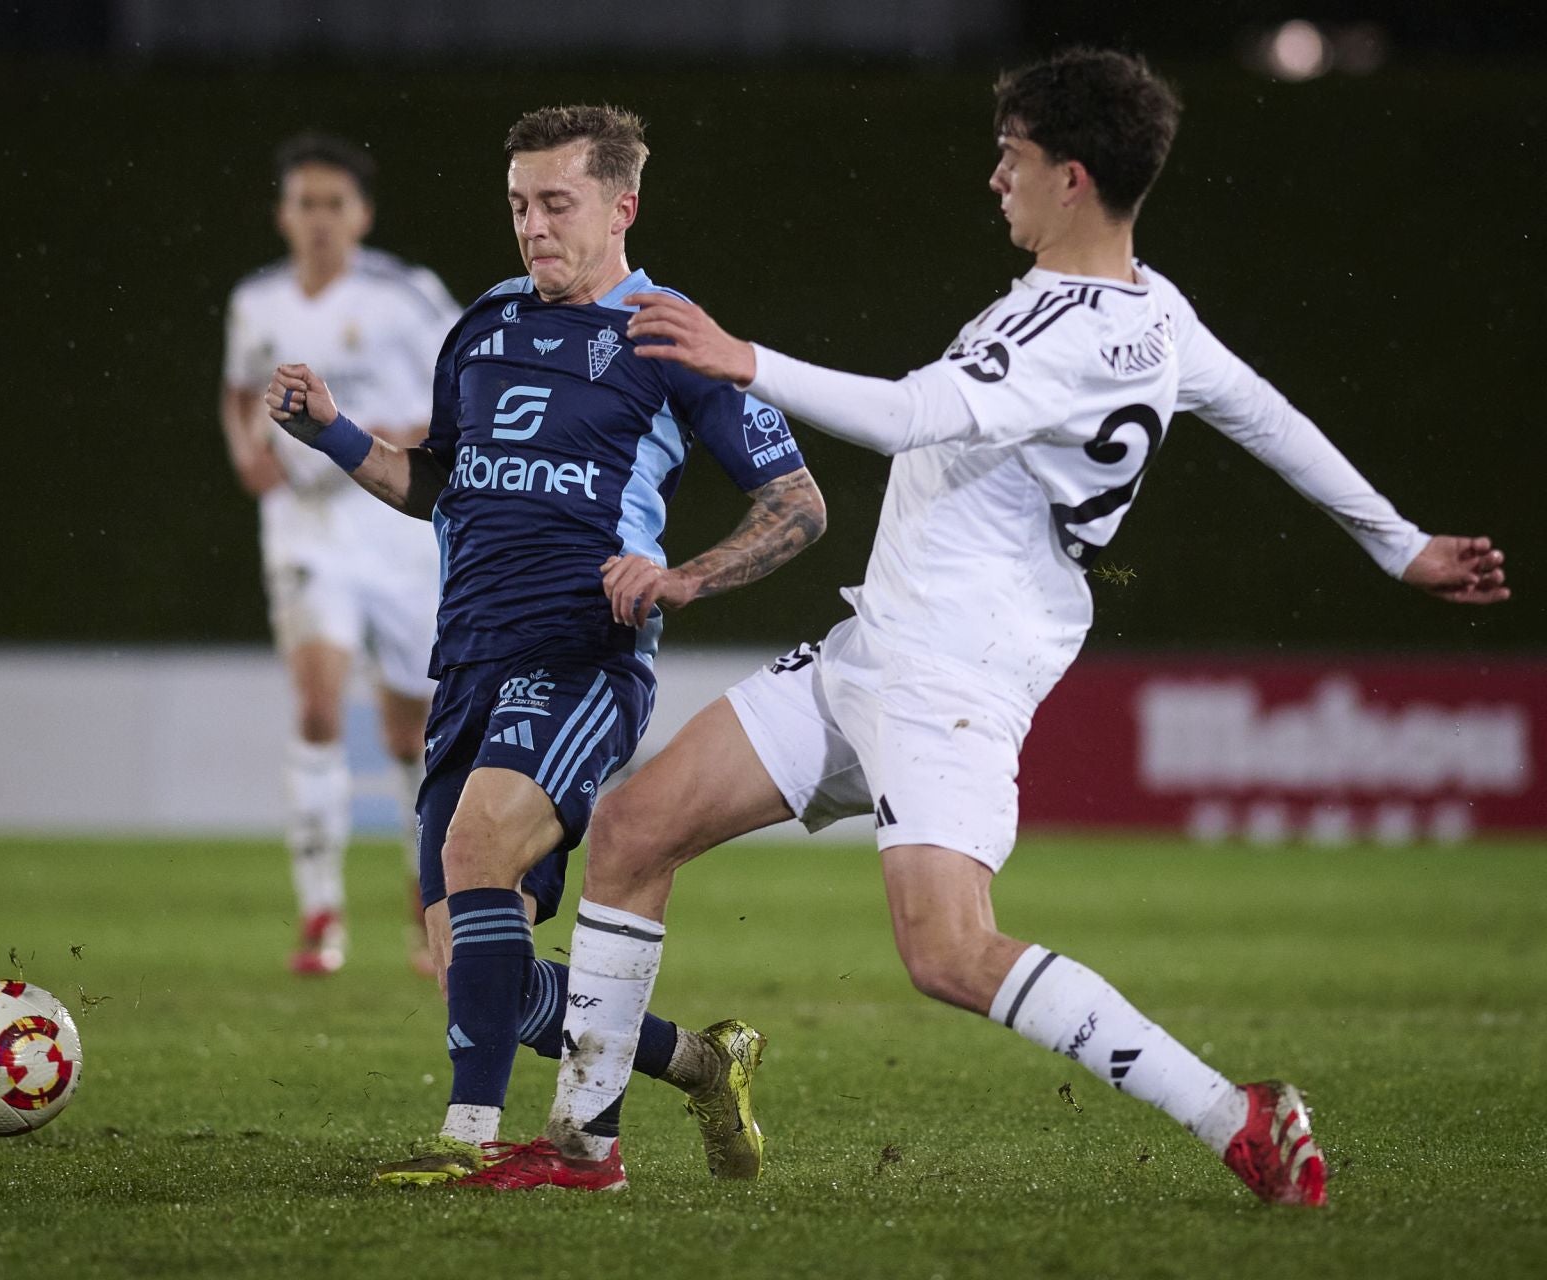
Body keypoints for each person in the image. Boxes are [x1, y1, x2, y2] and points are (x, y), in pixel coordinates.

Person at [470, 49, 1511, 1198]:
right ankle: (584, 1148)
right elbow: (1263, 412)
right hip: (882, 644)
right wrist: (1397, 540)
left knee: (951, 952)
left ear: (1072, 176)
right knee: (631, 828)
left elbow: (914, 413)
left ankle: (1235, 1111)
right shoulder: (1152, 312)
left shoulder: (1063, 328)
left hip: (949, 669)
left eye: (1010, 156)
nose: (992, 178)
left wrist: (742, 358)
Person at [265, 104, 828, 1188]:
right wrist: (334, 433)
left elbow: (798, 505)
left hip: (581, 654)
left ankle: (468, 1137)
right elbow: (441, 485)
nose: (533, 227)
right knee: (471, 960)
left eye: (557, 204)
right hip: (466, 655)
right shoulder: (481, 325)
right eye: (520, 205)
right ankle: (702, 1060)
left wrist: (681, 576)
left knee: (477, 854)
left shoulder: (670, 337)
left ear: (622, 207)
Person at [221, 134, 460, 976]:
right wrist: (245, 449)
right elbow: (241, 390)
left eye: (334, 204)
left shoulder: (406, 295)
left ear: (360, 213)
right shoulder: (255, 301)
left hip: (394, 523)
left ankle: (421, 899)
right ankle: (321, 915)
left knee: (412, 733)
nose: (319, 219)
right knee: (318, 709)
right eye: (305, 203)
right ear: (284, 213)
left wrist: (389, 436)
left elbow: (469, 386)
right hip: (306, 529)